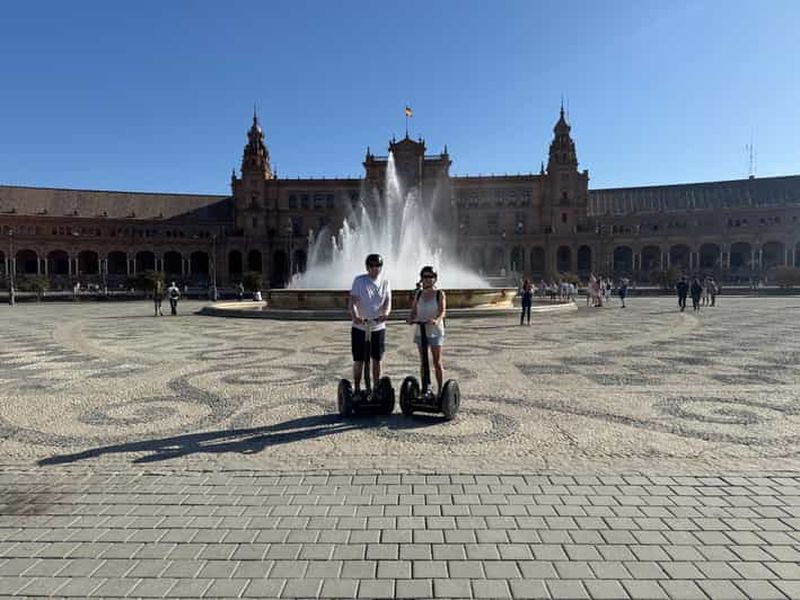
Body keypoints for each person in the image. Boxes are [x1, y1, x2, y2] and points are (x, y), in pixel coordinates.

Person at [349, 253, 391, 393]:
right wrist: (355, 316)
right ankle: (356, 388)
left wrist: (385, 314)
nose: (374, 268)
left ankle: (376, 388)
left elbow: (387, 301)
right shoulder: (359, 281)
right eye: (371, 266)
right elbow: (353, 301)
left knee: (377, 359)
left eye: (377, 265)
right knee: (359, 360)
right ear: (367, 267)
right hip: (360, 327)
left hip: (378, 326)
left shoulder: (385, 282)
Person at [408, 265, 447, 393]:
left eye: (431, 277)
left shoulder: (439, 294)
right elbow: (414, 310)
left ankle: (441, 390)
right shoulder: (418, 294)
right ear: (421, 278)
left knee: (437, 362)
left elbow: (442, 311)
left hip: (435, 331)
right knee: (423, 361)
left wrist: (436, 320)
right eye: (425, 277)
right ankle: (425, 387)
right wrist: (410, 318)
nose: (428, 279)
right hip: (421, 330)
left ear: (435, 279)